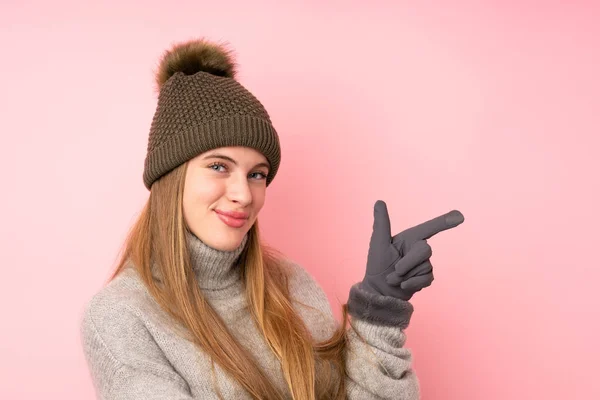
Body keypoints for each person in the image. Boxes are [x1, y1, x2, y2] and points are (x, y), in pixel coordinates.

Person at [80, 38, 464, 400]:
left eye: (257, 174)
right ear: (171, 177)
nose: (243, 194)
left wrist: (378, 315)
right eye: (218, 166)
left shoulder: (292, 285)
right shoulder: (121, 317)